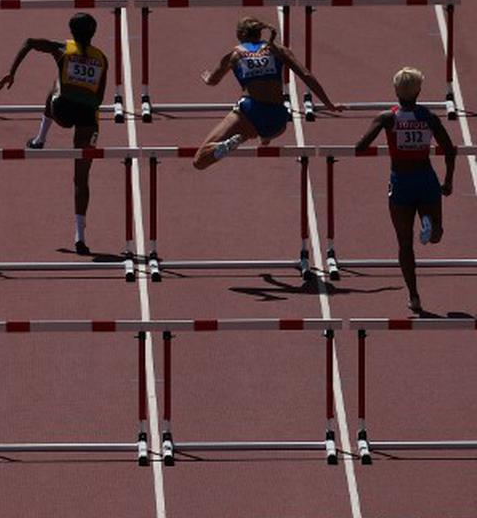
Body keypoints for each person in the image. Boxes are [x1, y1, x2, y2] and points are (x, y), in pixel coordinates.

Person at [0, 12, 108, 254]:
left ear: (71, 32)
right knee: (81, 179)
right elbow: (99, 97)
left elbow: (28, 42)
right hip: (88, 119)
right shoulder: (102, 59)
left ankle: (40, 139)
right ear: (94, 33)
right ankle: (80, 237)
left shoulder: (61, 49)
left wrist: (11, 72)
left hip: (61, 111)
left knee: (57, 82)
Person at [355, 67, 456, 313]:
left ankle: (414, 296)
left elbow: (360, 146)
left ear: (395, 91)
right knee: (436, 236)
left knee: (404, 242)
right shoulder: (429, 117)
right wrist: (448, 181)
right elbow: (450, 149)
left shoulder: (387, 118)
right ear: (419, 91)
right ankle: (428, 223)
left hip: (401, 181)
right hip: (426, 179)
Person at [194, 17, 340, 170]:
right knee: (270, 131)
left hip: (250, 111)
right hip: (277, 117)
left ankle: (225, 146)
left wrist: (207, 78)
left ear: (240, 35)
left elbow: (213, 81)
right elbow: (306, 75)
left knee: (199, 161)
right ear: (259, 33)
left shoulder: (234, 55)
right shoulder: (278, 50)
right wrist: (328, 104)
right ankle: (264, 137)